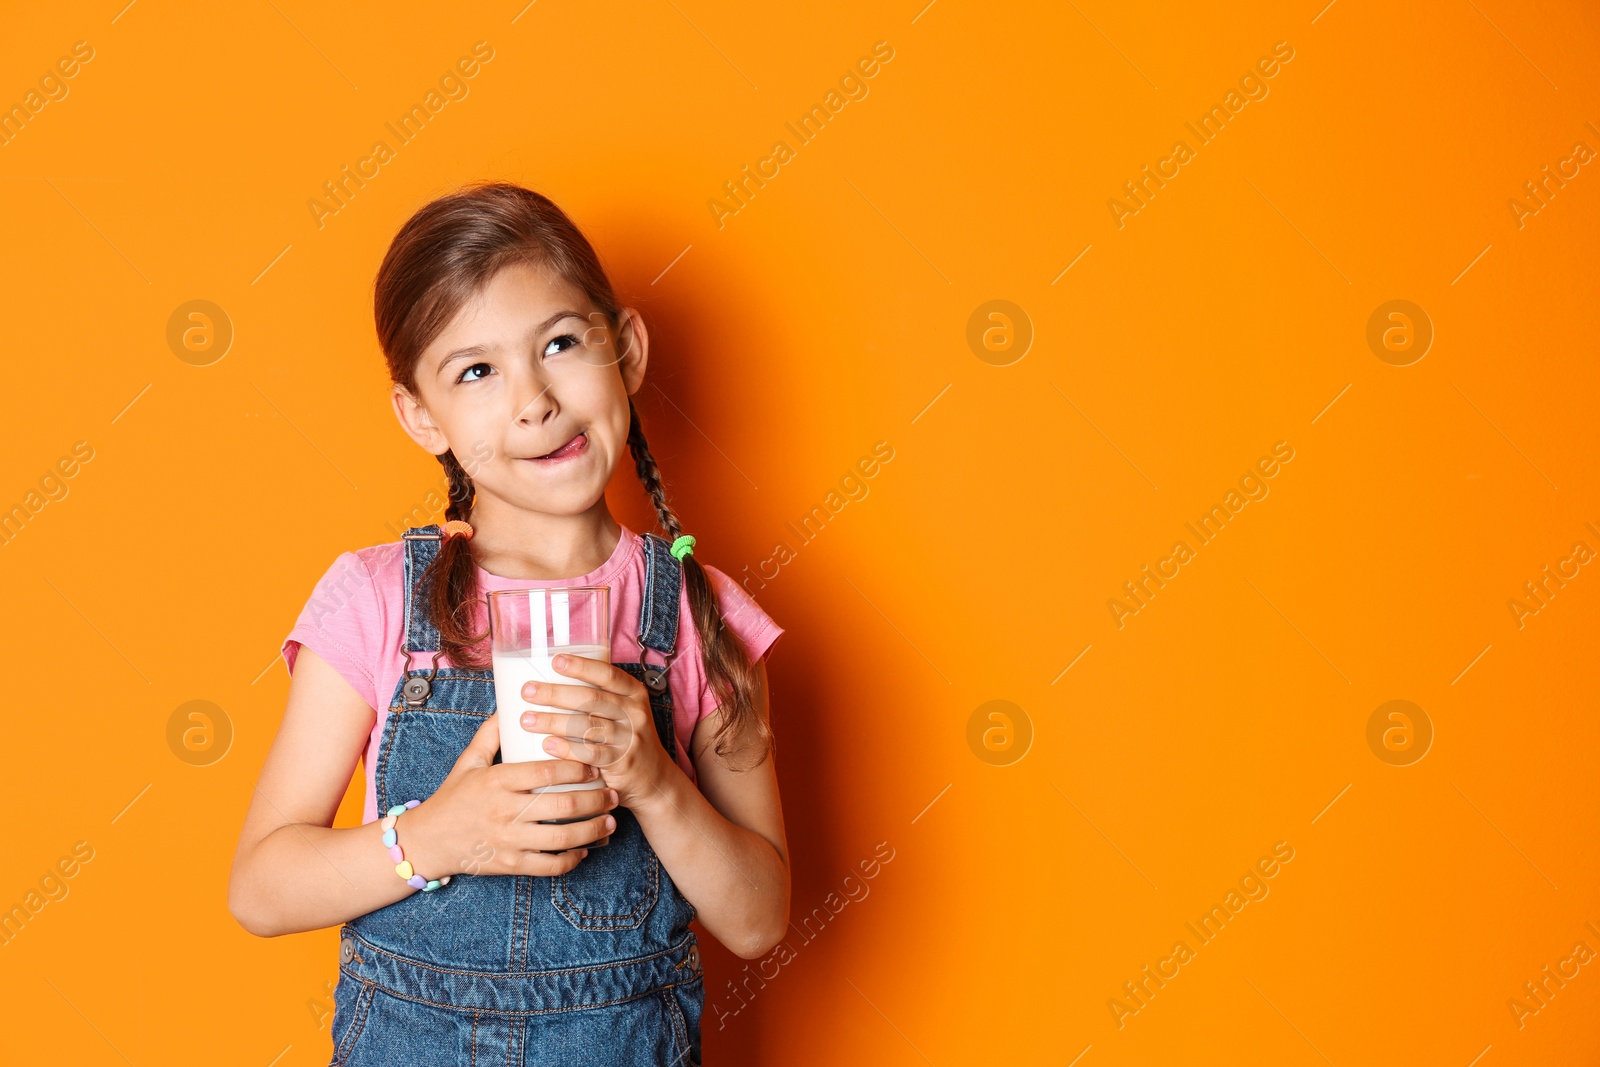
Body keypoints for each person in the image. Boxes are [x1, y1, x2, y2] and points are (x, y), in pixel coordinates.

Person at [227, 180, 790, 1066]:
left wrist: (656, 783)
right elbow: (261, 887)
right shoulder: (378, 601)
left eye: (561, 343)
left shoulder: (691, 612)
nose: (533, 399)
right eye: (477, 371)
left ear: (628, 350)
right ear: (421, 414)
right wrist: (436, 837)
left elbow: (757, 918)